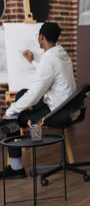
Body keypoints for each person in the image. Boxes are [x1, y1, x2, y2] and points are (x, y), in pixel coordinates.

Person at [0, 22, 76, 179]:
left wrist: (10, 111)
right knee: (22, 94)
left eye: (38, 37)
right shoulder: (61, 54)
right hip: (66, 106)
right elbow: (48, 73)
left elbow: (35, 93)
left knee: (11, 120)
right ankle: (28, 125)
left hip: (56, 110)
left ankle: (16, 168)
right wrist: (32, 62)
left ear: (42, 37)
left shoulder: (49, 60)